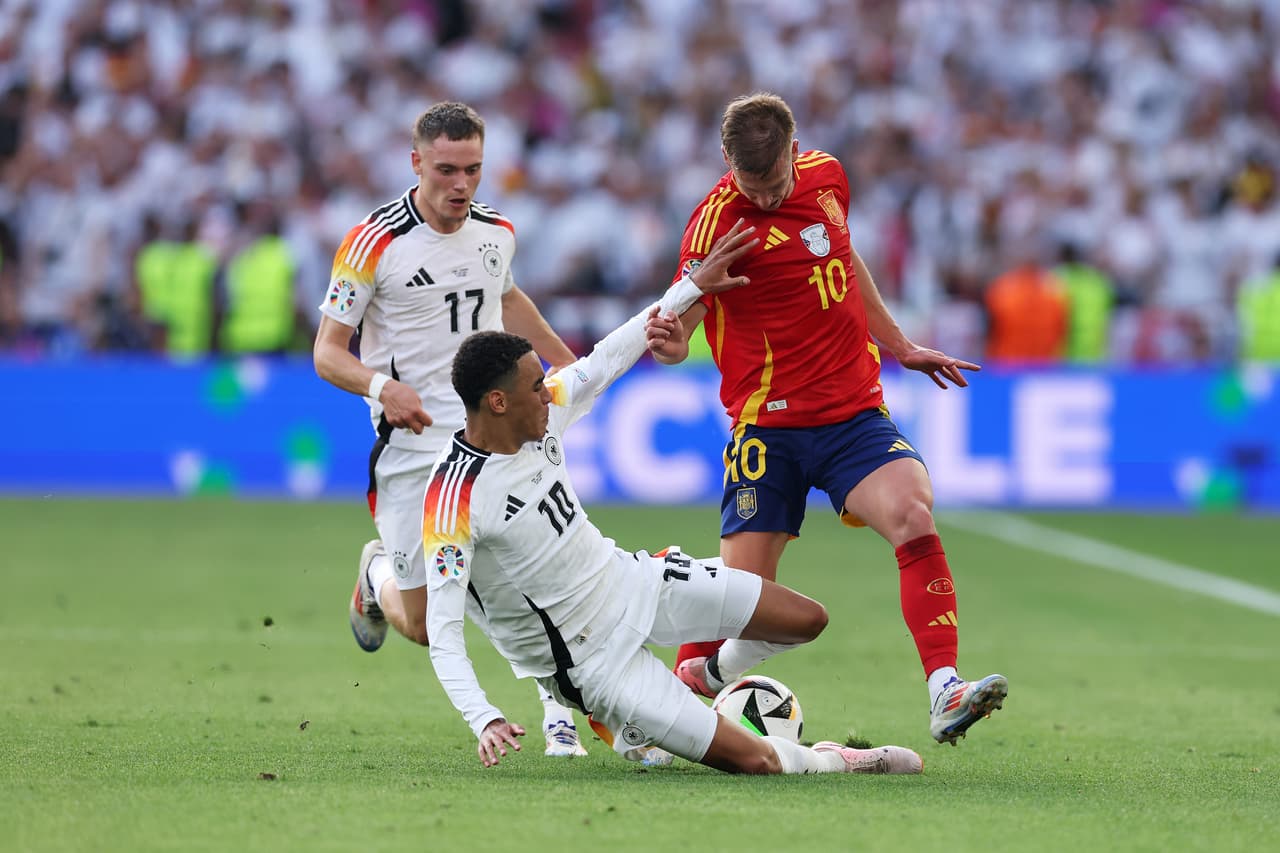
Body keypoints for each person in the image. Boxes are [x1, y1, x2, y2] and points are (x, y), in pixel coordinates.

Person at [423, 221, 922, 775]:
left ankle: (705, 678)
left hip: (631, 581)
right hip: (592, 663)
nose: (549, 393)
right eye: (536, 387)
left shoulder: (546, 411)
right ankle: (836, 760)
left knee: (806, 619)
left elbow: (609, 355)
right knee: (756, 763)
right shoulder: (452, 501)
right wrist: (484, 717)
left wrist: (693, 287)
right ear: (497, 403)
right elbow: (442, 630)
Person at [651, 93, 1007, 746]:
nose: (764, 198)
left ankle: (944, 688)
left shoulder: (828, 176)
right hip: (767, 430)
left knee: (913, 514)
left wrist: (899, 344)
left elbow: (842, 260)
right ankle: (695, 675)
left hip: (852, 415)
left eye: (774, 181)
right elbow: (683, 330)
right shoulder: (713, 228)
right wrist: (671, 341)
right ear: (726, 159)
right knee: (744, 597)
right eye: (750, 185)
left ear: (795, 149)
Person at [313, 101, 588, 757]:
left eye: (472, 169)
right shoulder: (372, 244)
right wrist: (384, 389)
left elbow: (506, 298)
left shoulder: (496, 232)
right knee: (422, 624)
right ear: (416, 163)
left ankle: (559, 715)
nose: (461, 185)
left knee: (538, 577)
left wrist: (568, 365)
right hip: (412, 451)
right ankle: (377, 574)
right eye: (446, 170)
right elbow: (327, 351)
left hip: (494, 437)